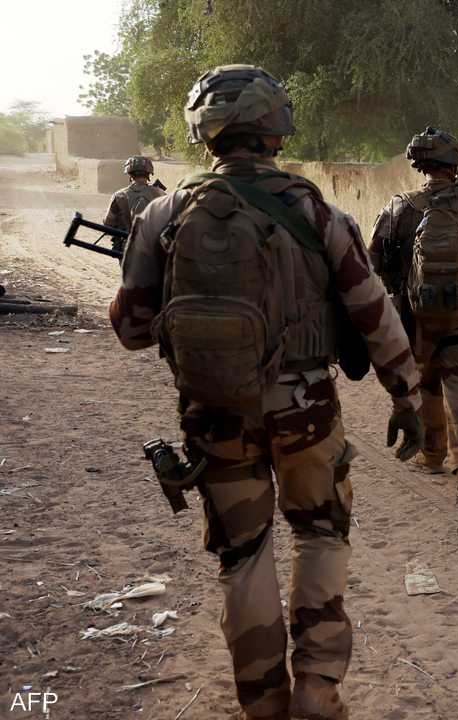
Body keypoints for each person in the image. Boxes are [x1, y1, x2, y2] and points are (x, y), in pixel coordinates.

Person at [109, 64, 424, 720]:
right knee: (321, 535)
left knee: (243, 557)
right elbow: (374, 312)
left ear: (204, 132)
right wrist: (408, 397)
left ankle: (263, 703)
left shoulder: (166, 212)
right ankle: (316, 692)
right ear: (277, 125)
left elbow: (132, 331)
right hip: (306, 410)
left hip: (215, 414)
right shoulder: (316, 208)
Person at [369, 127, 458, 499]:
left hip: (415, 314)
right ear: (454, 163)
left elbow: (375, 256)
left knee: (426, 378)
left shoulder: (400, 205)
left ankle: (432, 454)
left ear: (420, 165)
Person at [103, 155, 165, 250]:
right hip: (155, 249)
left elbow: (108, 223)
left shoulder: (119, 195)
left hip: (128, 248)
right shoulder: (161, 194)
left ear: (130, 174)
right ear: (148, 174)